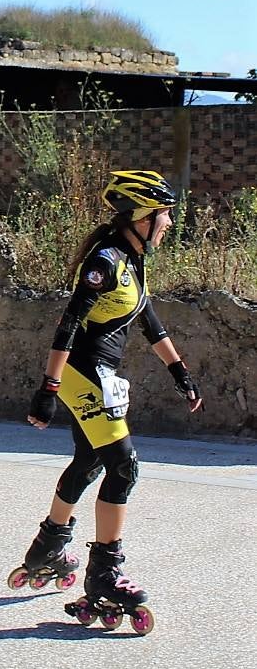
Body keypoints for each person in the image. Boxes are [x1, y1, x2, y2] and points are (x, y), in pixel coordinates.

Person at [18, 170, 203, 634]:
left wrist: (181, 374)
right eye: (163, 216)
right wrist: (48, 389)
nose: (167, 225)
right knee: (124, 467)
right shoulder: (104, 260)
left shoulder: (133, 261)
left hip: (102, 375)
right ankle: (105, 575)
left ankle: (48, 547)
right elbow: (68, 326)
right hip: (84, 374)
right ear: (141, 217)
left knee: (89, 461)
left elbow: (150, 323)